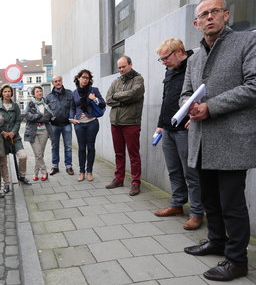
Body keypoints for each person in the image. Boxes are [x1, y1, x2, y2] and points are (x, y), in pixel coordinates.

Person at [181, 0, 256, 281]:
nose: (209, 17)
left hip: (233, 140)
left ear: (227, 15)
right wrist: (189, 105)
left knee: (231, 203)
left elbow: (254, 86)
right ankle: (216, 240)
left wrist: (210, 107)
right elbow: (186, 93)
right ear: (196, 23)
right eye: (204, 14)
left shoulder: (246, 42)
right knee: (209, 198)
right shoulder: (194, 59)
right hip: (201, 140)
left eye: (215, 12)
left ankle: (237, 261)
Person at [154, 38, 204, 230]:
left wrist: (198, 115)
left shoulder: (194, 64)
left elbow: (201, 93)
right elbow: (166, 98)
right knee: (174, 170)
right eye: (161, 59)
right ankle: (176, 204)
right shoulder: (170, 70)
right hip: (168, 128)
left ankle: (196, 212)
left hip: (186, 129)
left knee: (191, 172)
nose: (163, 62)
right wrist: (160, 124)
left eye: (165, 58)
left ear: (178, 52)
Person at [105, 56, 145, 196]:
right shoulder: (116, 81)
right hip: (115, 122)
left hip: (131, 122)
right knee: (119, 153)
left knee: (133, 154)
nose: (121, 70)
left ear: (130, 64)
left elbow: (134, 94)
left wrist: (117, 96)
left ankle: (135, 182)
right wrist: (122, 100)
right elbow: (108, 99)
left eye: (123, 66)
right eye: (119, 67)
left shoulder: (138, 79)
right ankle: (119, 179)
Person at [69, 69, 106, 182]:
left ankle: (89, 172)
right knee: (81, 148)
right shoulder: (74, 93)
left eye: (87, 78)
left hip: (92, 123)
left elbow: (103, 103)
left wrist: (94, 98)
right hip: (79, 124)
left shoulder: (94, 90)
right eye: (83, 77)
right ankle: (81, 172)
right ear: (78, 78)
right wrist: (71, 119)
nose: (85, 80)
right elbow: (72, 107)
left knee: (90, 147)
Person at [0, 84, 31, 193]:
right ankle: (6, 183)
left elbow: (18, 120)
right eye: (5, 91)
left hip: (14, 137)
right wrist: (2, 132)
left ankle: (22, 176)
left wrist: (13, 132)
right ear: (2, 93)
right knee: (3, 162)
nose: (7, 93)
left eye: (9, 91)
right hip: (2, 138)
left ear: (11, 93)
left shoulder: (15, 106)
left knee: (23, 156)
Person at [46, 76, 74, 176]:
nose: (58, 83)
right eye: (56, 81)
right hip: (54, 126)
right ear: (53, 83)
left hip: (67, 125)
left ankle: (69, 166)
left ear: (62, 81)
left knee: (68, 147)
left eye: (59, 81)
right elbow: (47, 112)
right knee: (54, 147)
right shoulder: (48, 97)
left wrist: (72, 117)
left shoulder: (70, 93)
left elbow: (73, 108)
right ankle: (55, 166)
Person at [24, 86, 53, 181]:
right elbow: (27, 116)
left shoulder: (46, 103)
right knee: (38, 153)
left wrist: (36, 117)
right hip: (33, 131)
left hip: (44, 131)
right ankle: (45, 172)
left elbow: (48, 117)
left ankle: (36, 173)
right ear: (33, 94)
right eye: (37, 91)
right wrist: (40, 115)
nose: (39, 93)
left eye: (40, 91)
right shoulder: (30, 103)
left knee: (40, 154)